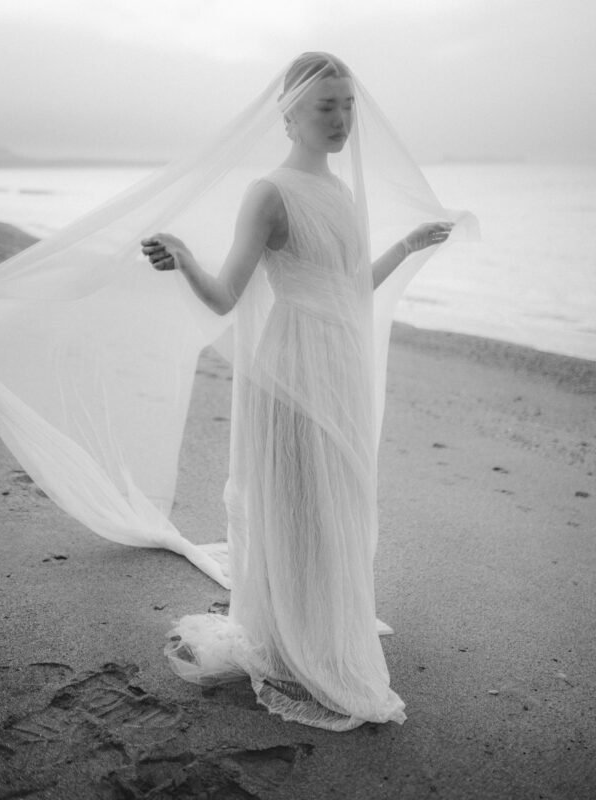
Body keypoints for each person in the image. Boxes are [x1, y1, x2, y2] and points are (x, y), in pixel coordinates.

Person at [141, 53, 453, 731]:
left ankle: (321, 625)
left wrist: (406, 245)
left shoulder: (341, 193)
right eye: (325, 106)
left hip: (339, 364)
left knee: (334, 502)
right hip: (291, 370)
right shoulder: (269, 192)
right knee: (297, 506)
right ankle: (293, 642)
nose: (341, 119)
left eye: (347, 106)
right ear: (290, 113)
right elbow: (226, 296)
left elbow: (348, 293)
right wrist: (186, 259)